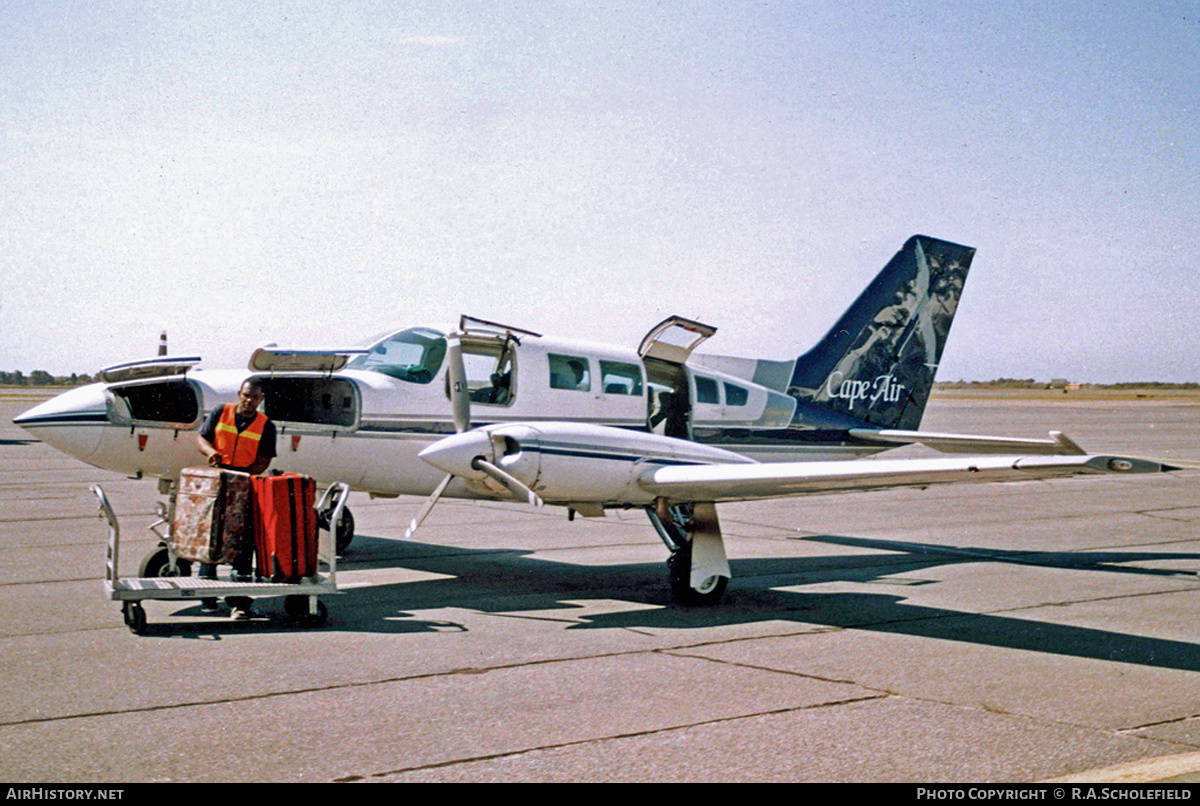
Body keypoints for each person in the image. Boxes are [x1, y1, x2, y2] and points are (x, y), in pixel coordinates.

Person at [194, 378, 276, 620]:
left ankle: (239, 602)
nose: (250, 401)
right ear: (240, 393)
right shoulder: (221, 412)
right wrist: (211, 453)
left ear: (261, 400)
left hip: (245, 484)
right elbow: (202, 438)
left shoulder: (265, 425)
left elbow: (264, 460)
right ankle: (207, 595)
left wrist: (242, 477)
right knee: (212, 536)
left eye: (255, 397)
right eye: (247, 395)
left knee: (242, 541)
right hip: (217, 480)